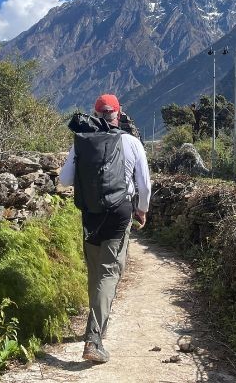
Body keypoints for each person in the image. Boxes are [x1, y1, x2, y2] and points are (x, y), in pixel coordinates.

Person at [59, 93, 151, 364]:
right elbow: (144, 184)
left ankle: (95, 325)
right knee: (109, 273)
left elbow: (64, 180)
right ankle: (94, 338)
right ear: (119, 113)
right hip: (119, 212)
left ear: (96, 114)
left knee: (95, 269)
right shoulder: (132, 142)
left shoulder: (81, 142)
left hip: (91, 213)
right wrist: (141, 209)